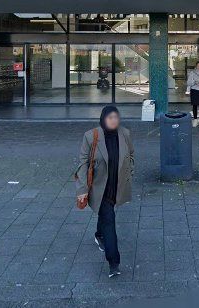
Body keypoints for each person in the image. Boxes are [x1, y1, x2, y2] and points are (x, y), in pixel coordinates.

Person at [75, 106, 134, 278]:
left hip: (117, 186)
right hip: (100, 188)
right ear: (103, 119)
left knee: (105, 216)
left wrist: (130, 171)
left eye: (116, 117)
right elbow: (83, 164)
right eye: (110, 117)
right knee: (109, 219)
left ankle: (99, 234)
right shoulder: (91, 136)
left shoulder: (125, 134)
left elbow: (131, 154)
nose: (113, 120)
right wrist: (82, 189)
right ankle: (113, 262)